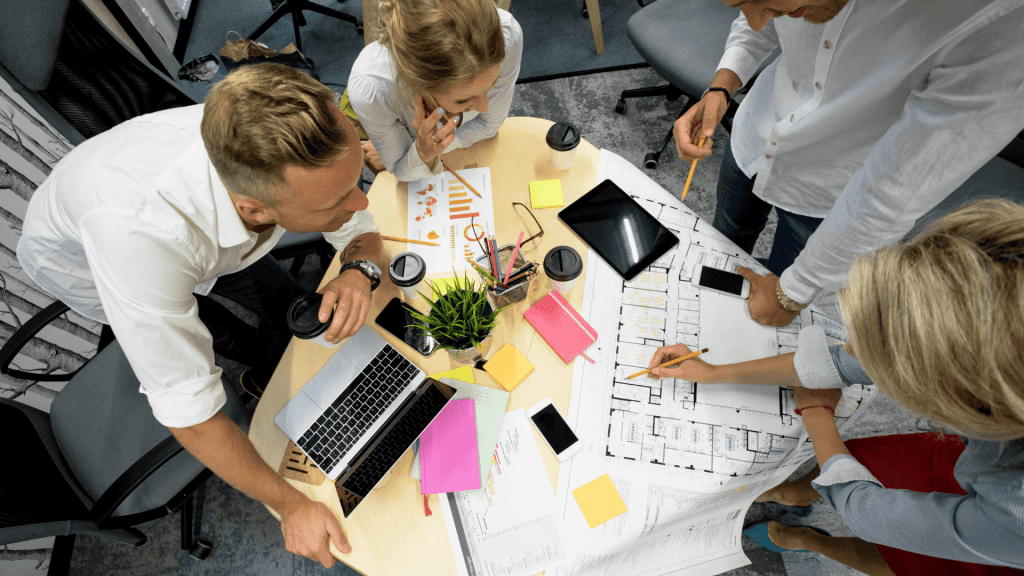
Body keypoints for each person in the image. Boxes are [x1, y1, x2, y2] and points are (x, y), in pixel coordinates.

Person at [17, 63, 387, 567]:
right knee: (215, 337)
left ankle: (272, 362)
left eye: (353, 182)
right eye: (337, 202)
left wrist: (359, 268)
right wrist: (290, 503)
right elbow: (190, 415)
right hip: (89, 258)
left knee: (280, 305)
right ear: (255, 210)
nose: (362, 200)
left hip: (198, 236)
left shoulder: (258, 133)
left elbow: (351, 216)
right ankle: (259, 374)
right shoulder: (140, 245)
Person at [644, 198, 1024, 575]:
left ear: (954, 396)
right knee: (868, 459)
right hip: (986, 449)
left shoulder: (1012, 516)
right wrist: (714, 373)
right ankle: (792, 494)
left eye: (883, 358)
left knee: (916, 565)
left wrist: (816, 413)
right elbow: (838, 364)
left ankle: (811, 539)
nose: (852, 351)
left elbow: (867, 513)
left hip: (1001, 538)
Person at [673, 0, 1024, 327]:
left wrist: (790, 295)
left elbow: (900, 188)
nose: (754, 15)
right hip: (755, 135)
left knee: (772, 305)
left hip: (834, 194)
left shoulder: (999, 22)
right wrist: (721, 87)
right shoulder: (767, 6)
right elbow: (759, 23)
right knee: (724, 239)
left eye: (766, 2)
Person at [346, 0, 523, 180]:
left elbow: (489, 125)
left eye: (492, 84)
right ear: (416, 85)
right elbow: (401, 172)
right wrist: (423, 153)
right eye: (462, 100)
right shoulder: (372, 91)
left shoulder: (506, 35)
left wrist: (423, 152)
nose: (484, 106)